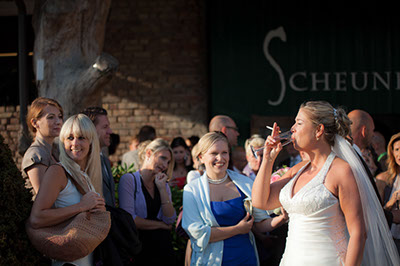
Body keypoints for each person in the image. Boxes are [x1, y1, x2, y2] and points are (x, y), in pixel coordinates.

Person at [252, 100, 399, 265]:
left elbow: (359, 232)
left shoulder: (341, 171)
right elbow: (261, 201)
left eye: (299, 123)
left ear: (319, 130)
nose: (292, 128)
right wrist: (267, 160)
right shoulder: (296, 170)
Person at [182, 132, 288, 266]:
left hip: (245, 258)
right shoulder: (192, 190)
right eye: (214, 153)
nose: (220, 158)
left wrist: (281, 218)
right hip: (211, 261)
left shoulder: (244, 183)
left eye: (224, 152)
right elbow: (197, 233)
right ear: (201, 157)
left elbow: (260, 224)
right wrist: (237, 229)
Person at [28, 114, 106, 266]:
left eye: (81, 137)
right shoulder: (57, 172)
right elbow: (36, 218)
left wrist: (98, 211)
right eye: (70, 138)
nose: (75, 143)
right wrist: (81, 206)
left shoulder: (85, 175)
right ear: (63, 141)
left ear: (91, 141)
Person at [118, 138, 177, 265]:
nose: (165, 165)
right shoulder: (129, 180)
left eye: (168, 162)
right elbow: (129, 220)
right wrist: (160, 225)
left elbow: (170, 219)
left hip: (164, 251)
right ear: (149, 153)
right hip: (140, 251)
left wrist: (162, 189)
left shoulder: (163, 184)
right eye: (162, 158)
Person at [21, 97, 63, 198]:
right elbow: (44, 199)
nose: (58, 121)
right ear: (35, 123)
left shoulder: (57, 150)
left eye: (60, 116)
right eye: (51, 117)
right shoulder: (35, 154)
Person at [81, 107, 115, 207]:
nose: (110, 131)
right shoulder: (83, 162)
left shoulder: (105, 160)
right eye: (105, 127)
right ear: (90, 129)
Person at [376, 132, 400, 253]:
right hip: (390, 239)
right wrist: (391, 202)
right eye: (397, 149)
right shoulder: (385, 180)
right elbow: (378, 213)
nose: (399, 153)